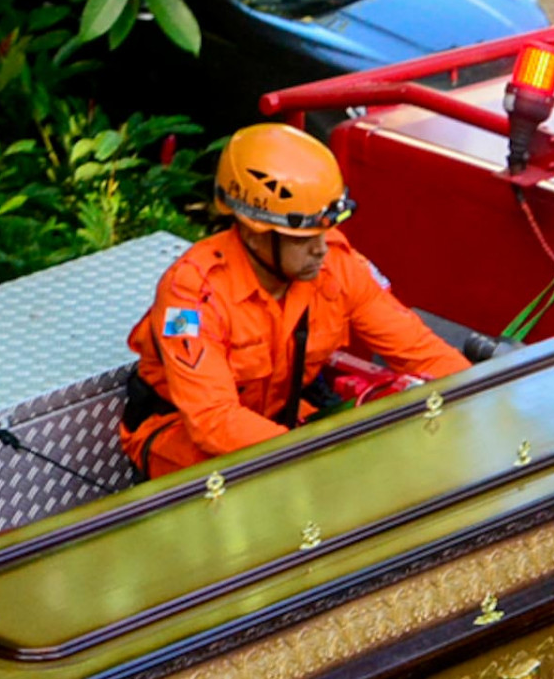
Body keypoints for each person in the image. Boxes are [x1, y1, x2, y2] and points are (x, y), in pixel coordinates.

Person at [120, 123, 471, 479]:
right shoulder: (192, 297)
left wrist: (478, 400)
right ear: (255, 231)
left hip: (279, 420)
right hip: (183, 436)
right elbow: (213, 421)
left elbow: (421, 352)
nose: (321, 247)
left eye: (323, 231)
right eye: (303, 238)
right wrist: (319, 463)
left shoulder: (336, 267)